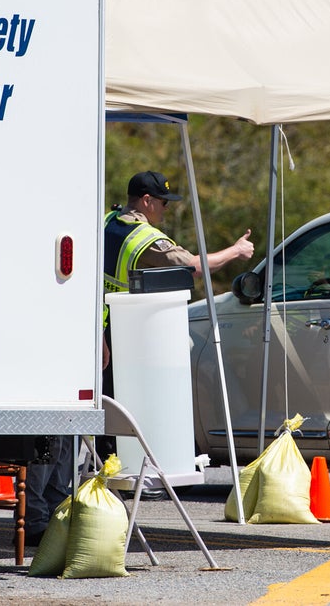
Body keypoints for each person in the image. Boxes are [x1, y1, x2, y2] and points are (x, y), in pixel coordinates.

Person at [100, 170, 255, 450]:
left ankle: (102, 474)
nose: (166, 209)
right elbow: (194, 266)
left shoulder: (108, 220)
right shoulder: (145, 238)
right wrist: (236, 250)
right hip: (121, 332)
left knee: (105, 409)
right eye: (164, 202)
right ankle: (112, 478)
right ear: (147, 201)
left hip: (99, 326)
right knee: (122, 412)